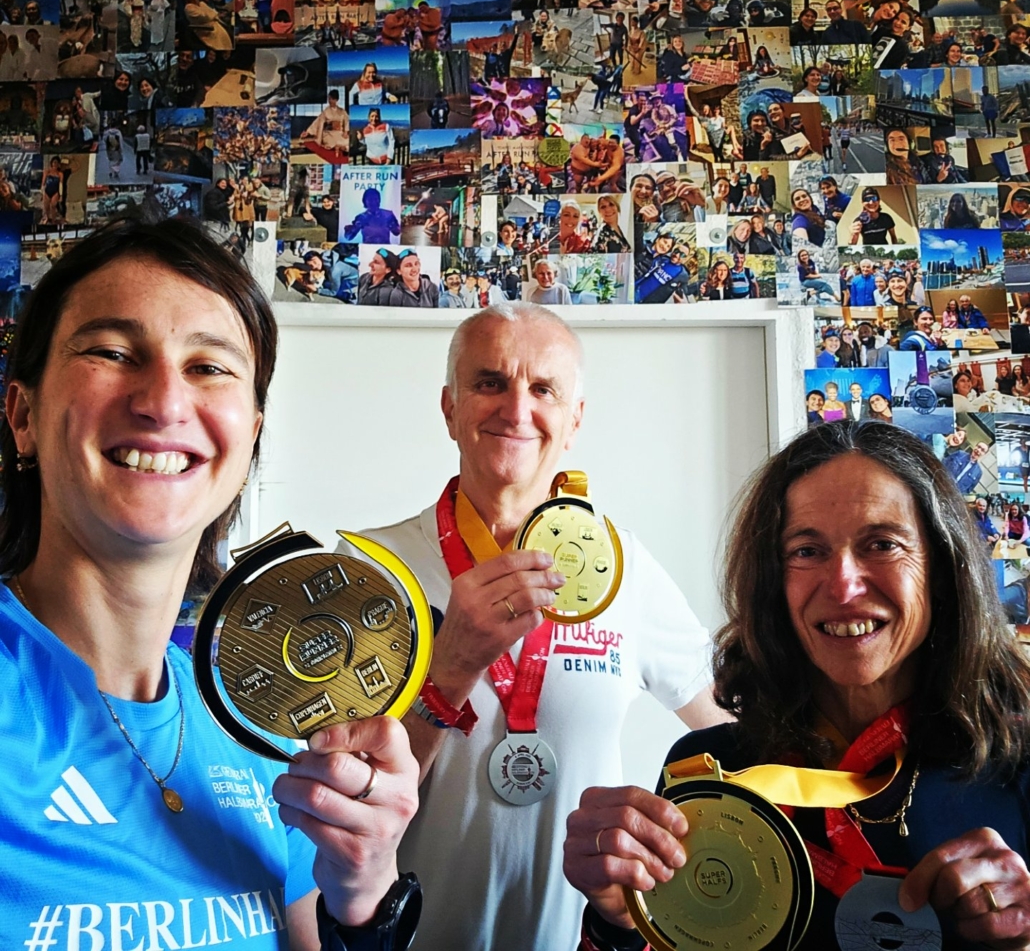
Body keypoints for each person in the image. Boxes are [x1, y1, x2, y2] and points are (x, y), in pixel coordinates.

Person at [0, 216, 422, 947]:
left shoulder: (260, 721)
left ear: (250, 434)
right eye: (110, 351)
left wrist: (365, 895)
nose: (164, 402)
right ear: (22, 415)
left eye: (209, 367)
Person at [342, 303, 724, 951]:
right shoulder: (370, 568)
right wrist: (449, 669)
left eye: (543, 388)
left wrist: (671, 848)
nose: (517, 410)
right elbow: (343, 794)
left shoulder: (625, 567)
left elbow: (728, 736)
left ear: (574, 419)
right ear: (450, 407)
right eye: (490, 382)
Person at [565, 421, 1030, 951]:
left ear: (941, 569)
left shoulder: (1016, 766)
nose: (843, 585)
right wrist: (616, 920)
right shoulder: (709, 772)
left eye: (882, 543)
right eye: (807, 551)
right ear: (773, 582)